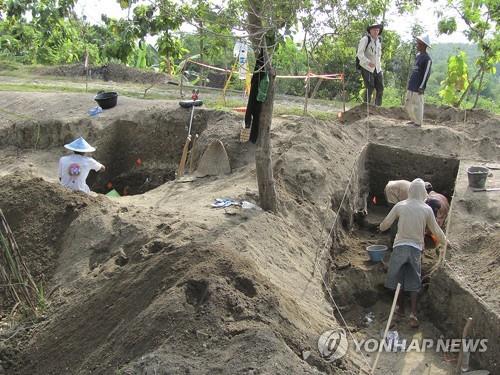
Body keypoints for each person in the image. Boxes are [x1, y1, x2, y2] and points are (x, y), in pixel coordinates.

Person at [380, 178, 446, 328]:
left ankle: (400, 310)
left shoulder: (400, 205)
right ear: (423, 192)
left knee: (398, 280)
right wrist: (446, 242)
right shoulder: (427, 209)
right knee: (414, 281)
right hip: (416, 249)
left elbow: (385, 224)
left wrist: (381, 227)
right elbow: (436, 230)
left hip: (400, 247)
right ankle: (413, 315)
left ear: (410, 191)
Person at [405, 35, 432, 127]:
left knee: (418, 104)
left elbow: (426, 74)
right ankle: (413, 119)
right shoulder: (418, 56)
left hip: (418, 86)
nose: (417, 45)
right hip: (412, 84)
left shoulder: (427, 59)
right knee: (408, 103)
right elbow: (414, 70)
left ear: (424, 45)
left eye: (419, 44)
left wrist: (422, 86)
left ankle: (418, 122)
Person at [357, 22, 384, 106]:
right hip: (367, 67)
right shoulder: (365, 39)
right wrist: (368, 62)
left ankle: (378, 107)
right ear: (370, 31)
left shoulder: (379, 41)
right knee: (370, 86)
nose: (376, 32)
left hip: (377, 68)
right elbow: (359, 54)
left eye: (377, 30)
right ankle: (365, 106)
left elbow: (378, 55)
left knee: (380, 87)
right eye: (374, 30)